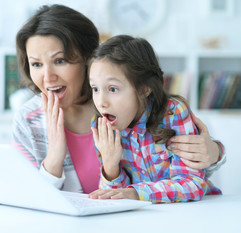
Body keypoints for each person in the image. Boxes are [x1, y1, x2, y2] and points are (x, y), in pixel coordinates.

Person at [12, 4, 225, 194]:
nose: (47, 77)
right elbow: (27, 198)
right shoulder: (28, 120)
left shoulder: (120, 107)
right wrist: (54, 158)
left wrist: (215, 152)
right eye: (36, 64)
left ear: (88, 60)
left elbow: (186, 173)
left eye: (60, 60)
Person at [88, 35, 222, 203]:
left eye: (113, 89)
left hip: (195, 212)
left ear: (144, 88)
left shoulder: (173, 113)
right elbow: (113, 200)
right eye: (95, 88)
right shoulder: (100, 125)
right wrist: (110, 166)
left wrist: (136, 193)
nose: (101, 102)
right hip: (144, 218)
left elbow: (192, 184)